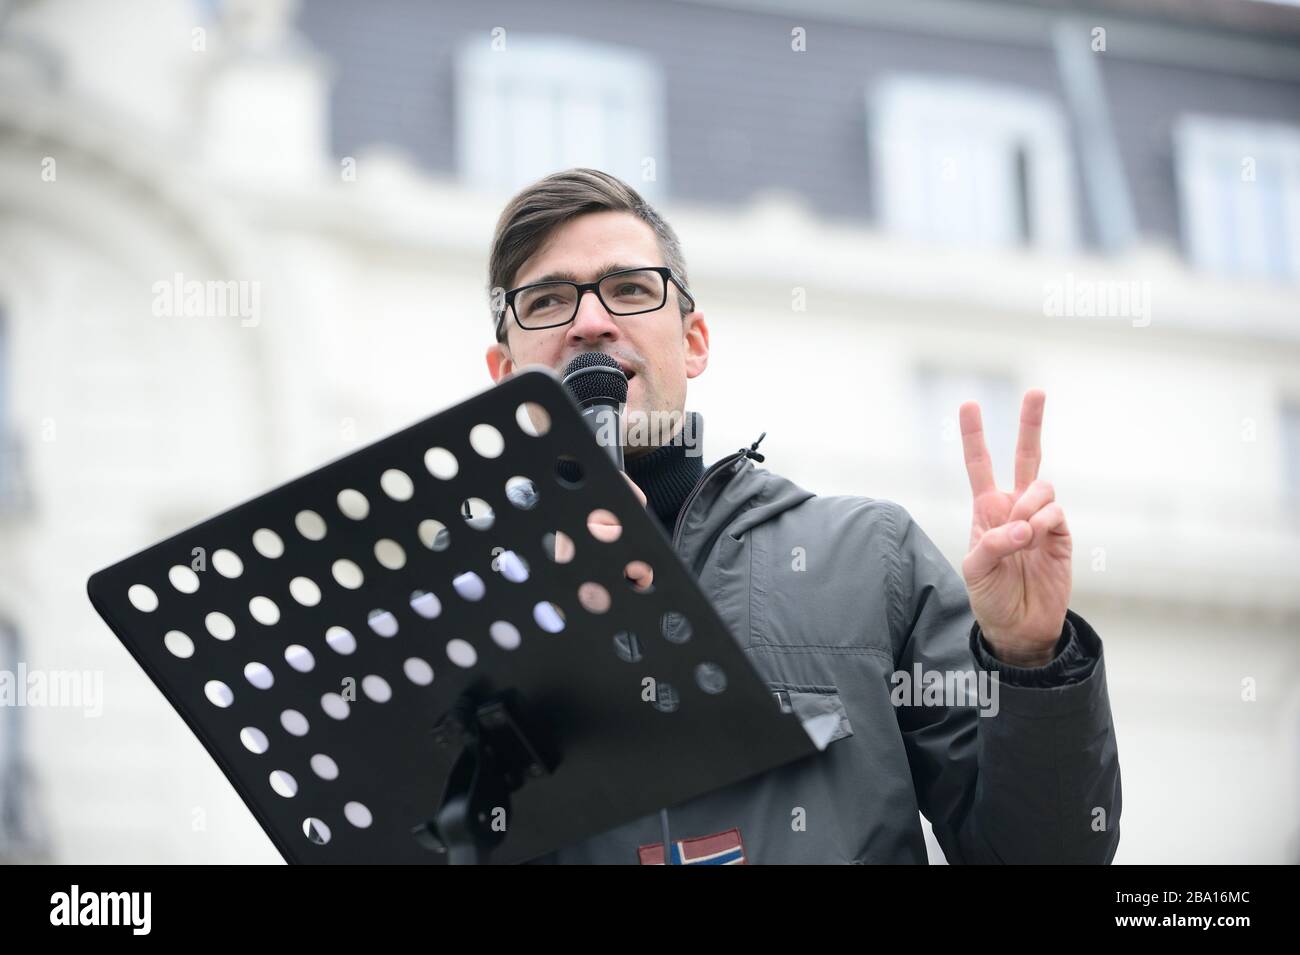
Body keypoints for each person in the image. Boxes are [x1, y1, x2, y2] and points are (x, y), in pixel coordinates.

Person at [483, 167, 1121, 864]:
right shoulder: (457, 600)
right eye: (546, 301)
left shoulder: (870, 560)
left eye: (630, 289)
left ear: (694, 341)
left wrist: (1030, 662)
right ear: (506, 372)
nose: (591, 322)